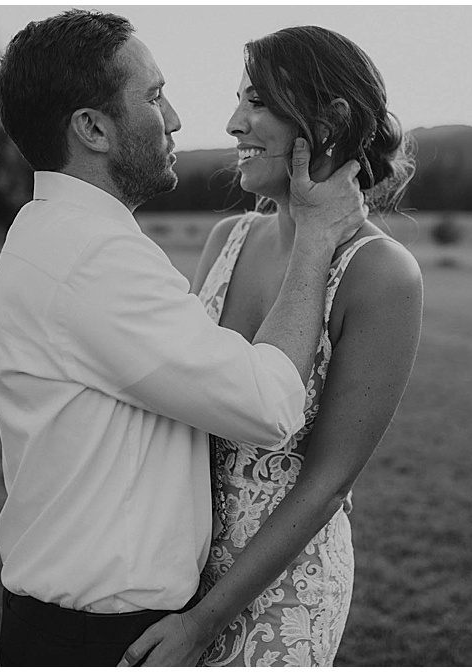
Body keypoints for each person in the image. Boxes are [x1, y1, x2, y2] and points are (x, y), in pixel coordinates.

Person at [0, 10, 371, 666]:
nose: (175, 119)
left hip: (84, 623)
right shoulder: (94, 257)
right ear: (93, 128)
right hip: (101, 638)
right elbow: (268, 405)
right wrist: (315, 238)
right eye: (155, 96)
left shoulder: (54, 233)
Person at [119, 26, 424, 666]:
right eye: (239, 101)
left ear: (327, 123)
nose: (234, 123)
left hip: (282, 593)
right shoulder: (227, 239)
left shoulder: (381, 273)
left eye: (257, 102)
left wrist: (203, 623)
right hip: (175, 569)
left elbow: (329, 483)